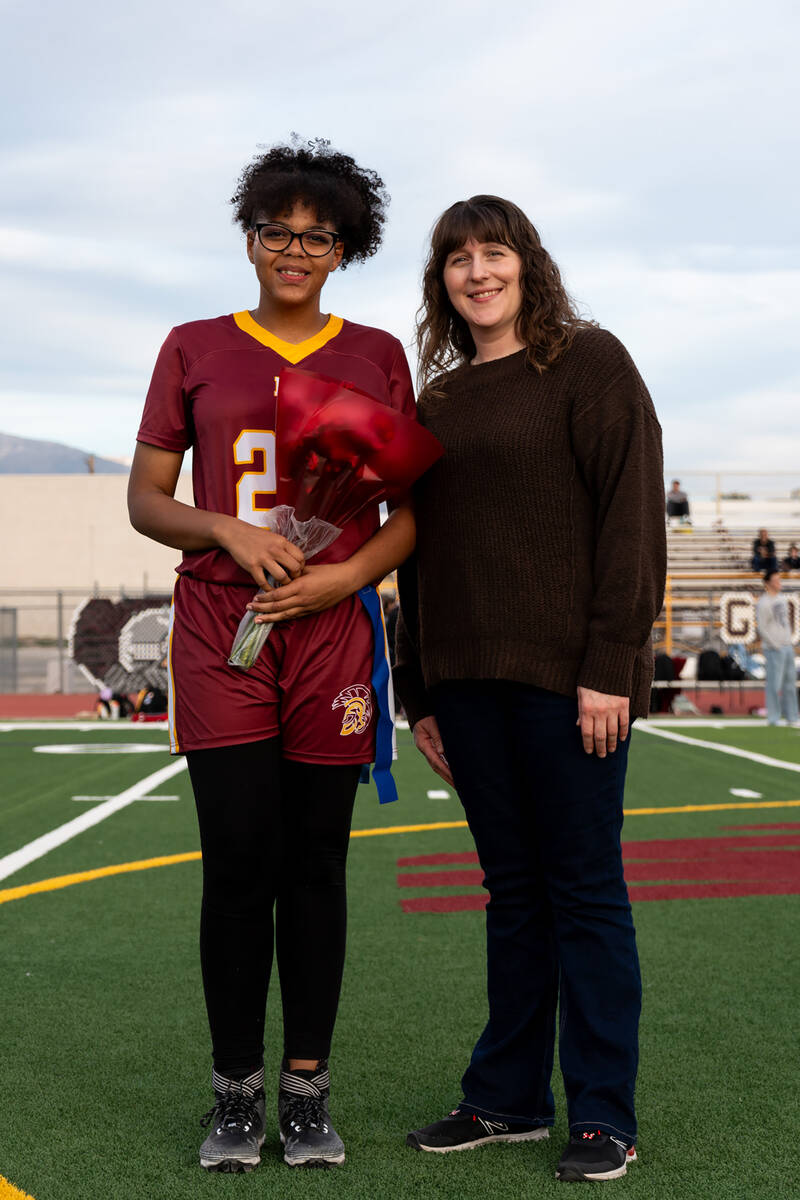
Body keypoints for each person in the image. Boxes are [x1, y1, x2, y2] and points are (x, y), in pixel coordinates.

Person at [128, 138, 416, 1172]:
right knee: (237, 867)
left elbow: (405, 514)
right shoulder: (193, 344)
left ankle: (306, 1088)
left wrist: (345, 578)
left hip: (330, 629)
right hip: (222, 626)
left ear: (343, 250)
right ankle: (234, 1090)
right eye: (275, 232)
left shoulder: (375, 351)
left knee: (318, 869)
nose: (293, 251)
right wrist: (225, 532)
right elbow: (148, 499)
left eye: (317, 237)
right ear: (249, 238)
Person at [394, 196, 666, 1184]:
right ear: (442, 281)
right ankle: (505, 1099)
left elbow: (630, 520)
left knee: (583, 894)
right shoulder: (435, 404)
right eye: (455, 258)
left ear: (526, 265)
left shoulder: (586, 365)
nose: (475, 271)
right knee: (512, 896)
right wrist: (417, 691)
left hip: (566, 685)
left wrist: (607, 669)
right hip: (463, 687)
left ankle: (601, 1115)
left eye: (492, 252)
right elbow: (414, 557)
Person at [756, 570, 799, 726]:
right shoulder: (763, 603)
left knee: (790, 682)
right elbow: (762, 627)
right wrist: (774, 644)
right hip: (774, 648)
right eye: (775, 580)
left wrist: (788, 641)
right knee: (774, 683)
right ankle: (773, 717)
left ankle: (792, 716)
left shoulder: (781, 599)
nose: (778, 582)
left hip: (787, 645)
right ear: (768, 583)